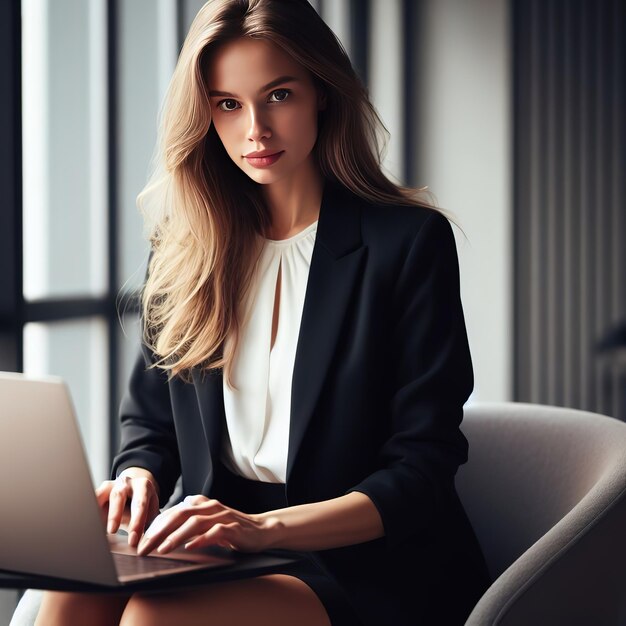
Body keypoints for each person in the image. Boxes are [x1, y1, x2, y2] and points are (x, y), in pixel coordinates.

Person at [36, 0, 490, 624]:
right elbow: (151, 425)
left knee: (154, 618)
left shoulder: (407, 243)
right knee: (68, 599)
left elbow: (422, 470)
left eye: (278, 95)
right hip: (220, 537)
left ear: (322, 93)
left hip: (366, 560)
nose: (256, 130)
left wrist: (263, 528)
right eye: (228, 103)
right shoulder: (185, 248)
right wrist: (137, 478)